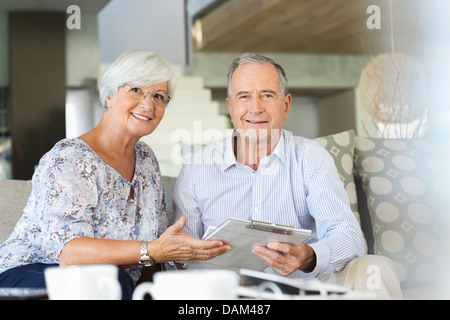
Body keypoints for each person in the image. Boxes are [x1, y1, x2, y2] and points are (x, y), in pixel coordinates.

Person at [0, 50, 229, 299]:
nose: (148, 104)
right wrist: (151, 250)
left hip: (110, 284)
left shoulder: (146, 161)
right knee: (110, 280)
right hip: (29, 275)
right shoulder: (70, 159)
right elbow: (71, 253)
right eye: (135, 90)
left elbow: (154, 257)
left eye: (159, 96)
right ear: (109, 95)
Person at [173, 53, 402, 299]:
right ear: (230, 107)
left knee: (375, 269)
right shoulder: (197, 168)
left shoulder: (311, 157)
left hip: (304, 289)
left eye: (267, 95)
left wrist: (309, 257)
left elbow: (348, 237)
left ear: (286, 105)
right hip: (229, 295)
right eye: (244, 96)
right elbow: (179, 258)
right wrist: (183, 257)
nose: (255, 107)